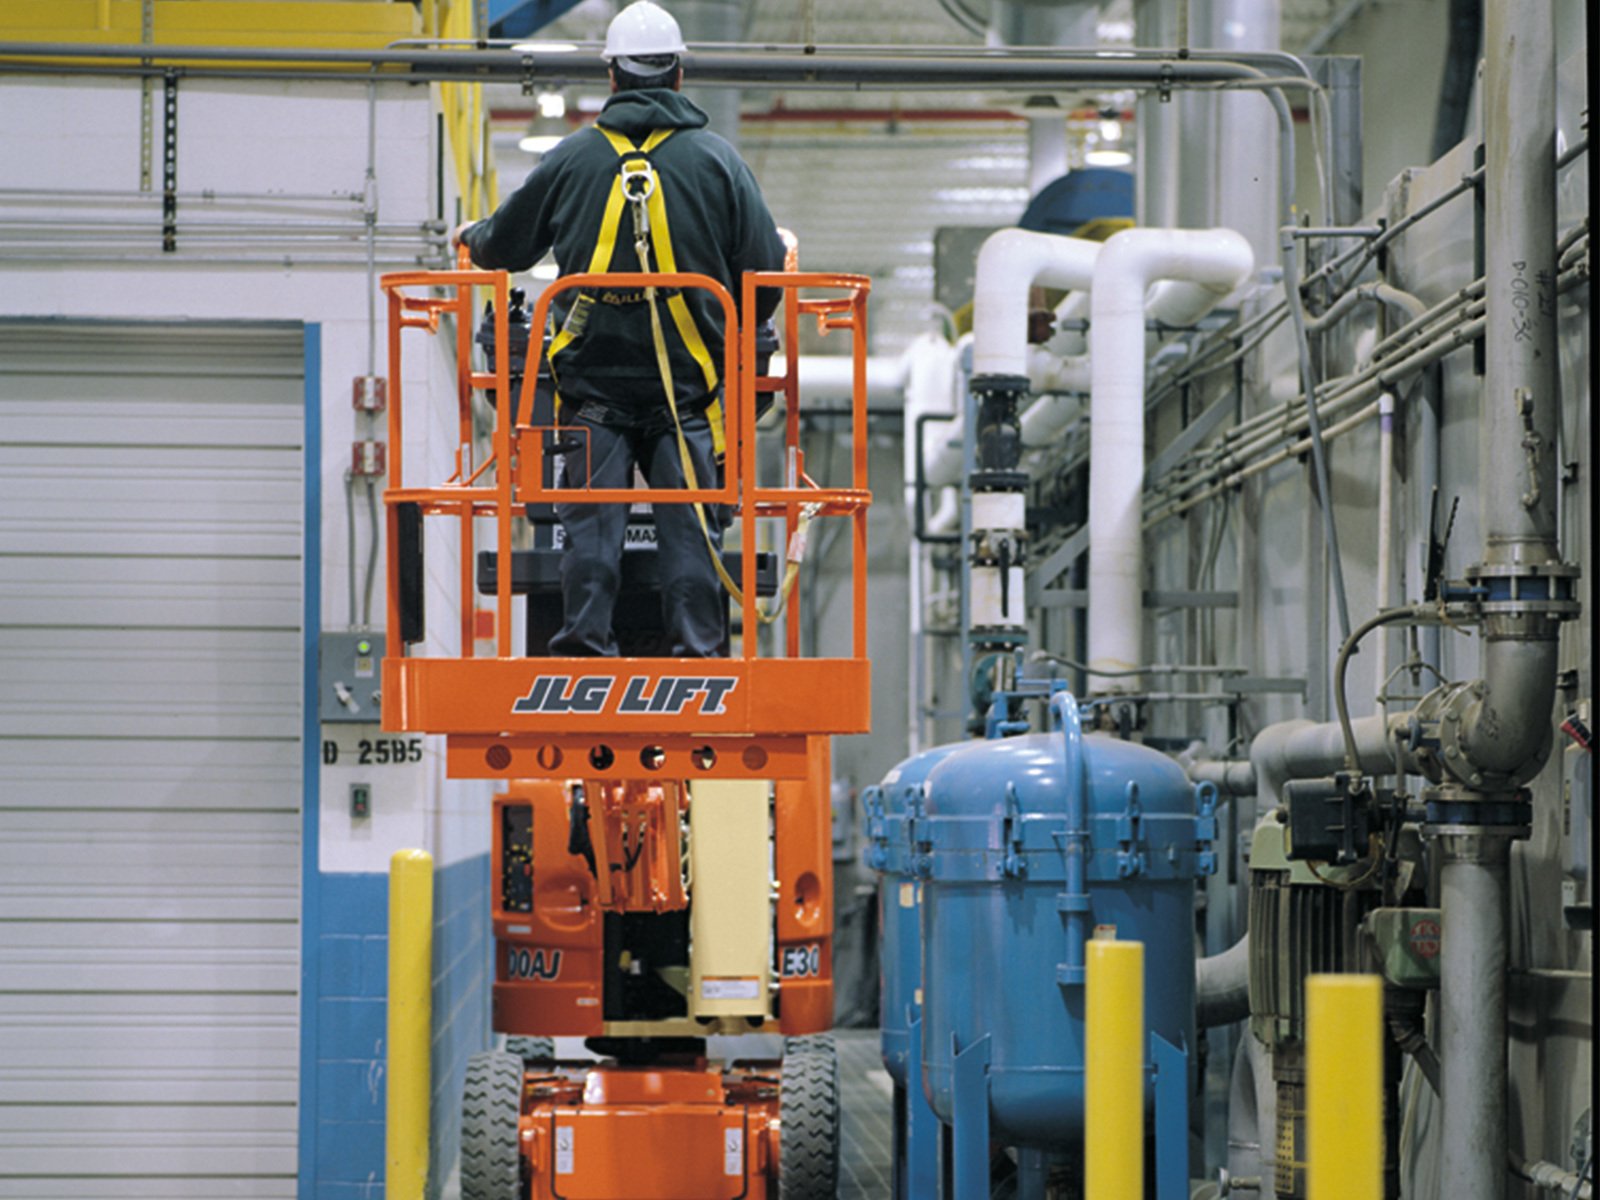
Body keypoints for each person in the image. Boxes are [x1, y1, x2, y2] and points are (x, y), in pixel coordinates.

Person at [451, 0, 786, 658]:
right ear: (678, 75)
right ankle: (698, 658)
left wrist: (472, 236)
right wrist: (736, 337)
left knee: (590, 533)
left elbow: (506, 246)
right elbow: (766, 276)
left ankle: (583, 650)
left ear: (612, 76)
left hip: (591, 393)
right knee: (693, 532)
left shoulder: (573, 158)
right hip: (687, 395)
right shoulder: (718, 162)